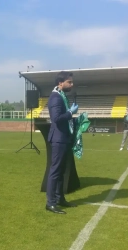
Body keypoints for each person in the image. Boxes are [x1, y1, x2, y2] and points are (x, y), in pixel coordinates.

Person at [46, 71, 79, 214]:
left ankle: (60, 199)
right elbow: (57, 119)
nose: (72, 84)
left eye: (72, 82)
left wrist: (75, 119)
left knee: (61, 171)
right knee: (55, 171)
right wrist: (71, 113)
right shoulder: (55, 98)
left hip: (64, 138)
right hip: (58, 139)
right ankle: (50, 203)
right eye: (69, 82)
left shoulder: (62, 96)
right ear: (60, 83)